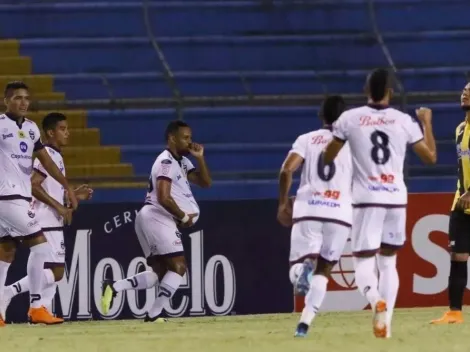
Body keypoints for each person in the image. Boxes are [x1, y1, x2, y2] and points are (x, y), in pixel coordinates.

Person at [323, 68, 437, 338]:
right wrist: (427, 123)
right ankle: (386, 326)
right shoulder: (403, 120)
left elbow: (328, 157)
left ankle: (375, 301)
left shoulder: (349, 119)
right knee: (388, 263)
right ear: (391, 92)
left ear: (365, 91)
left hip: (366, 199)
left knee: (363, 261)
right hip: (396, 197)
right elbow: (430, 157)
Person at [100, 120, 211, 321]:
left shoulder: (182, 162)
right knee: (179, 267)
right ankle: (154, 314)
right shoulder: (166, 162)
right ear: (172, 139)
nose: (189, 142)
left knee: (159, 274)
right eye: (185, 138)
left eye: (190, 137)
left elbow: (205, 182)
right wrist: (184, 217)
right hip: (158, 216)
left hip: (151, 217)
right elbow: (163, 196)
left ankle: (114, 286)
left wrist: (200, 159)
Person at [0, 82, 78, 326]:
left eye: (26, 98)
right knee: (41, 246)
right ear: (6, 101)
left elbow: (46, 161)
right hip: (7, 197)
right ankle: (36, 307)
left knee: (6, 253)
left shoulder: (32, 129)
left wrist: (66, 186)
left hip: (18, 198)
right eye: (17, 98)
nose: (23, 102)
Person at [278, 95, 353, 337]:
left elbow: (286, 170)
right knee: (325, 270)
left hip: (309, 208)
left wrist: (282, 203)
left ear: (321, 116)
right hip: (340, 212)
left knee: (297, 269)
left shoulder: (307, 139)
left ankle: (302, 271)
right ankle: (304, 324)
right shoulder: (353, 144)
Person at [431, 83, 470, 324]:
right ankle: (454, 312)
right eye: (464, 90)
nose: (464, 93)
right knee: (457, 256)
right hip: (461, 205)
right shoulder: (459, 129)